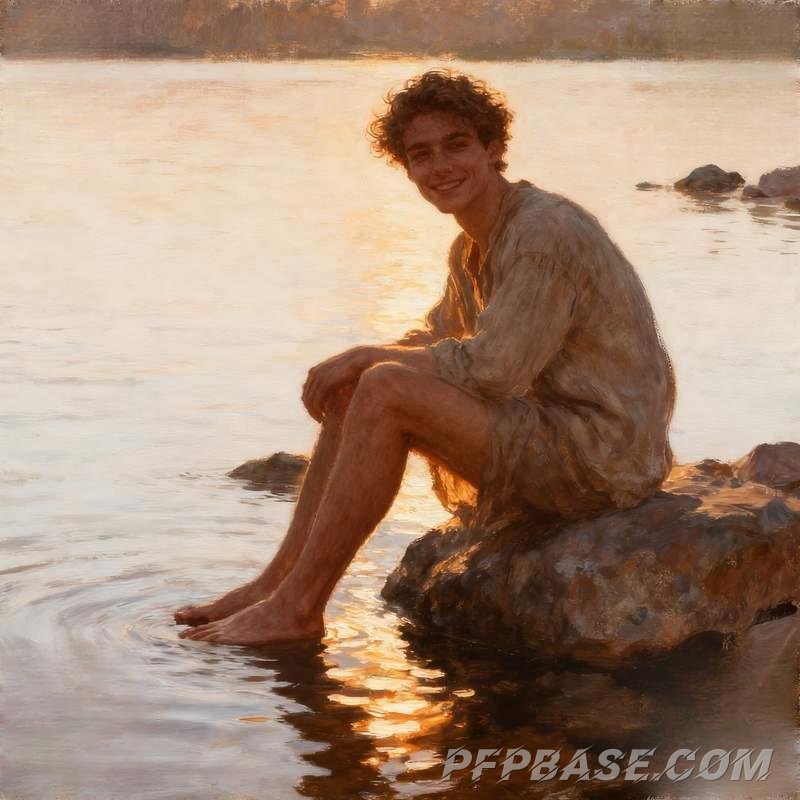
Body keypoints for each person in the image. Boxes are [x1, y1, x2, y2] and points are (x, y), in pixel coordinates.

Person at [176, 69, 675, 645]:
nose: (440, 167)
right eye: (421, 155)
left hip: (599, 457)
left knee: (384, 385)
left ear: (492, 148)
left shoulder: (544, 231)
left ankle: (299, 608)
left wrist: (369, 359)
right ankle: (276, 583)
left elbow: (494, 369)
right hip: (553, 435)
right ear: (407, 169)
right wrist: (355, 363)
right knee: (360, 385)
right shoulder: (471, 245)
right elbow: (439, 336)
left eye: (457, 145)